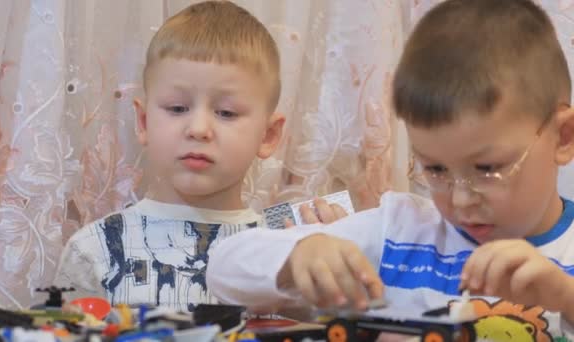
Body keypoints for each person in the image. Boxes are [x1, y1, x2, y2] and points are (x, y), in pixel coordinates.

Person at [207, 0, 574, 338]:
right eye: (436, 169)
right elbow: (224, 269)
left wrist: (566, 298)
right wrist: (301, 254)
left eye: (487, 168)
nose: (461, 199)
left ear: (562, 138)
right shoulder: (401, 230)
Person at [54, 0, 344, 312]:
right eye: (178, 108)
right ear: (144, 122)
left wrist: (340, 267)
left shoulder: (286, 245)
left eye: (226, 112)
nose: (199, 129)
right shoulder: (94, 250)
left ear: (268, 135)